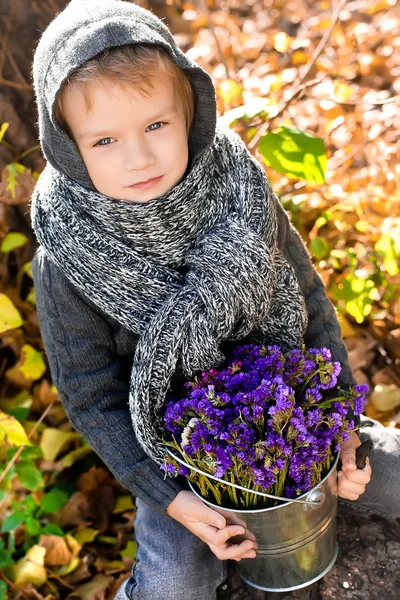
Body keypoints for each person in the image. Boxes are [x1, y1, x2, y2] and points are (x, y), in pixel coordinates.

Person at [30, 1, 399, 598]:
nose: (139, 157)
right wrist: (173, 501)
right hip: (179, 457)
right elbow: (91, 394)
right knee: (175, 581)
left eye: (156, 125)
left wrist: (342, 430)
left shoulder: (237, 188)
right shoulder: (67, 252)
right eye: (104, 139)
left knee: (393, 472)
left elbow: (309, 298)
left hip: (294, 418)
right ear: (69, 147)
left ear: (191, 113)